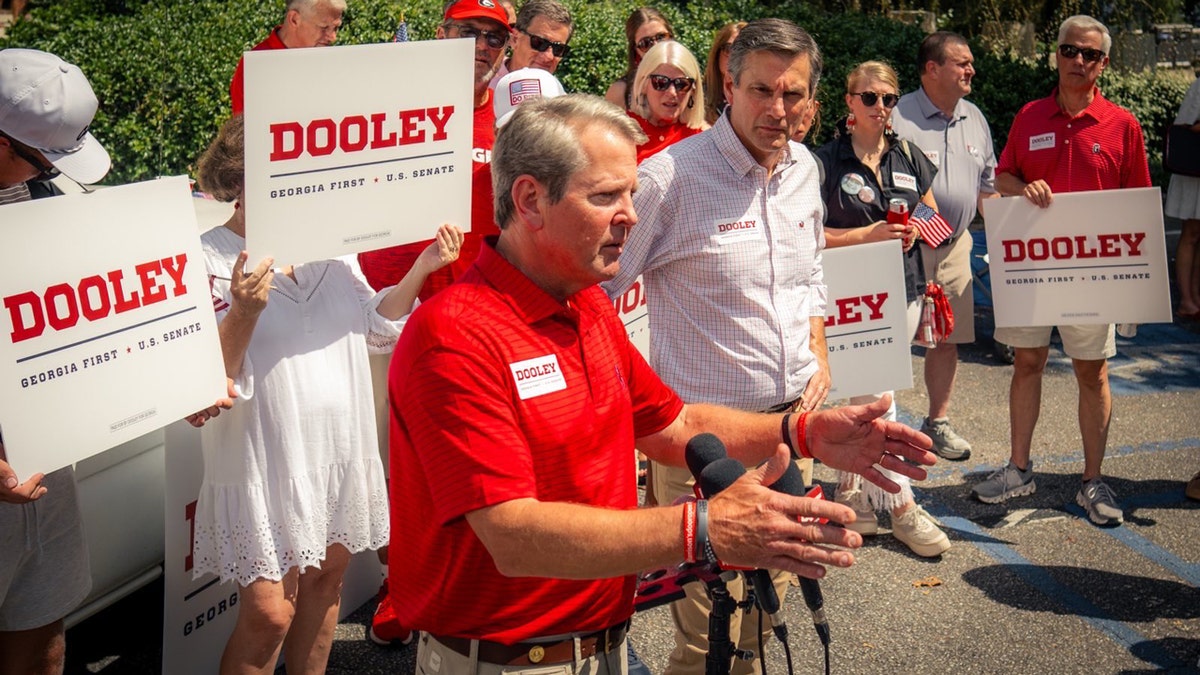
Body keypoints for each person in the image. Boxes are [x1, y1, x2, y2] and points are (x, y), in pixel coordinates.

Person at [387, 93, 937, 675]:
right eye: (605, 196)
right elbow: (512, 533)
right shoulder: (456, 334)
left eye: (630, 193)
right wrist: (705, 529)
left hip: (602, 646)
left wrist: (804, 432)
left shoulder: (587, 307)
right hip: (508, 661)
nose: (631, 213)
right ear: (529, 200)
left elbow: (674, 425)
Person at [190, 115, 462, 674]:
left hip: (337, 450)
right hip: (261, 462)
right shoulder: (204, 259)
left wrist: (421, 268)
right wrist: (242, 310)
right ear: (240, 181)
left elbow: (374, 326)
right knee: (269, 614)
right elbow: (203, 385)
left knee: (327, 586)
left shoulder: (331, 249)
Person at [603, 19, 832, 674]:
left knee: (768, 616)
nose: (777, 109)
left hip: (793, 429)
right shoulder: (667, 179)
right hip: (703, 441)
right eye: (761, 90)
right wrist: (637, 407)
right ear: (727, 84)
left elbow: (808, 274)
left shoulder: (804, 167)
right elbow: (592, 291)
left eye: (792, 94)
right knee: (708, 639)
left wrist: (819, 345)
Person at [977, 15, 1151, 527]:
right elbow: (1004, 175)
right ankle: (1018, 468)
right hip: (1033, 265)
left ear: (1105, 62)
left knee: (1091, 372)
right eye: (1071, 51)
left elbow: (1136, 204)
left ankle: (1092, 480)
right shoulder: (1030, 116)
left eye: (1090, 54)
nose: (1079, 61)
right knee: (1026, 363)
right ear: (1056, 53)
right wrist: (1020, 188)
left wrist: (1133, 289)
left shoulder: (1124, 125)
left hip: (1092, 273)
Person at [0, 47, 110, 675]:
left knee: (45, 646)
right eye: (43, 159)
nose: (49, 173)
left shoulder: (47, 191)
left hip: (46, 470)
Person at [814, 60, 952, 559]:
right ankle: (900, 504)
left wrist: (918, 227)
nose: (880, 107)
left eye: (889, 99)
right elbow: (805, 234)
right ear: (849, 102)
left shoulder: (909, 155)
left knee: (868, 393)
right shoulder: (823, 161)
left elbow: (933, 212)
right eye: (869, 97)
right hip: (846, 296)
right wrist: (865, 236)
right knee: (876, 397)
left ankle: (853, 488)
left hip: (905, 290)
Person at [890, 31, 999, 462]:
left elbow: (987, 189)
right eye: (961, 62)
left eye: (971, 62)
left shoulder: (974, 117)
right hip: (905, 248)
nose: (970, 69)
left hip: (955, 245)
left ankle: (937, 422)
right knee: (890, 340)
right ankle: (877, 428)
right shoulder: (896, 115)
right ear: (931, 69)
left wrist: (1013, 238)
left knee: (947, 338)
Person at [228, 0, 345, 114]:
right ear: (294, 19)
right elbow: (247, 129)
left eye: (335, 28)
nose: (333, 37)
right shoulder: (256, 68)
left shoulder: (332, 59)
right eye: (324, 28)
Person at [626, 40, 707, 163]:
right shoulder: (621, 132)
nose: (672, 92)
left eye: (682, 84)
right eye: (661, 82)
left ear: (693, 90)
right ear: (643, 85)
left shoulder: (703, 140)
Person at [1165, 76, 1200, 321]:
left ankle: (1194, 297)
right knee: (1191, 234)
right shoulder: (1199, 86)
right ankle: (1186, 300)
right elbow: (1186, 126)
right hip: (1194, 171)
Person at [488, 0, 573, 89]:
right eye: (539, 43)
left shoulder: (558, 96)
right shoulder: (480, 79)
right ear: (515, 39)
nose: (548, 57)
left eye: (558, 49)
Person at [604, 7, 674, 111]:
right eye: (645, 43)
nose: (656, 46)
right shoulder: (620, 92)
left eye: (661, 37)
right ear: (635, 50)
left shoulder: (691, 81)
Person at [702, 21, 746, 126]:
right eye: (729, 49)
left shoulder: (762, 98)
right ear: (717, 54)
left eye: (743, 50)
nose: (734, 56)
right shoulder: (697, 96)